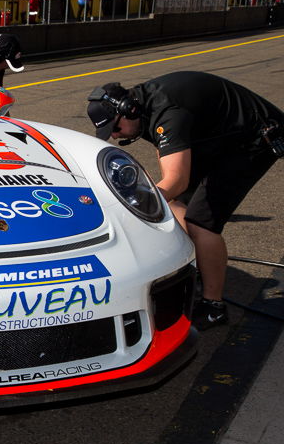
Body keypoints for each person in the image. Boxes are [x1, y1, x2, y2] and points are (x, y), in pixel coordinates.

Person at [85, 72, 283, 330]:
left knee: (201, 222)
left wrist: (132, 206)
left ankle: (214, 307)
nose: (114, 136)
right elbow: (169, 165)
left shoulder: (167, 113)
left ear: (127, 110)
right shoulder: (143, 108)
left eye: (115, 128)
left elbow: (176, 180)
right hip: (217, 134)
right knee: (176, 202)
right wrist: (161, 193)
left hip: (253, 139)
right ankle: (198, 267)